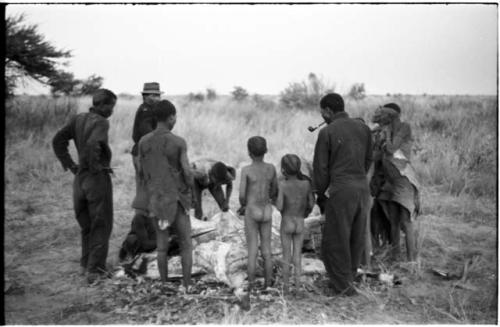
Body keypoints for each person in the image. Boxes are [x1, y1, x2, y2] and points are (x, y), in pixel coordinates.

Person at [52, 89, 117, 284]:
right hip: (95, 179)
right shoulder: (101, 122)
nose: (112, 111)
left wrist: (71, 165)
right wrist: (96, 167)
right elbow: (92, 146)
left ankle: (85, 265)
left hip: (79, 179)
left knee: (87, 224)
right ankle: (95, 271)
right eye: (111, 107)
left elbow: (58, 141)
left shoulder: (78, 119)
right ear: (102, 105)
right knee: (101, 223)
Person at [312, 93, 372, 296]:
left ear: (328, 110)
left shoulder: (327, 132)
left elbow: (320, 170)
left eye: (323, 113)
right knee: (356, 236)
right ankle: (351, 279)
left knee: (336, 239)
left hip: (341, 190)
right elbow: (368, 160)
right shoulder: (363, 128)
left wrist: (320, 196)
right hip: (362, 189)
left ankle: (341, 286)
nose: (323, 117)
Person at [134, 99, 194, 291]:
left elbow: (142, 172)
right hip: (176, 200)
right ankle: (186, 284)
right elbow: (186, 172)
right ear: (170, 118)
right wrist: (190, 187)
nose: (175, 119)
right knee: (186, 243)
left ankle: (164, 284)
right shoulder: (178, 142)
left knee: (161, 247)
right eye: (175, 116)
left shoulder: (143, 142)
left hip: (156, 200)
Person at [371, 103, 419, 261]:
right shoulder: (385, 130)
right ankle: (395, 257)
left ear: (390, 117)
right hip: (390, 181)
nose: (379, 119)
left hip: (403, 179)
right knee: (393, 221)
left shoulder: (404, 127)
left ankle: (412, 261)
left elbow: (391, 149)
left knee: (405, 222)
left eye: (383, 116)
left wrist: (384, 133)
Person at [239, 136, 278, 292]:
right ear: (266, 151)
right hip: (266, 210)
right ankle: (268, 284)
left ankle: (252, 285)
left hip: (252, 210)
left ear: (249, 152)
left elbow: (242, 195)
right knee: (267, 251)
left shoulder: (246, 170)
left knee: (253, 250)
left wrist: (244, 205)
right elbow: (274, 190)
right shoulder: (271, 168)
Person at [276, 154, 315, 294]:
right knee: (297, 255)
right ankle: (297, 287)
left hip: (286, 222)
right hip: (300, 222)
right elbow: (311, 203)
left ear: (283, 169)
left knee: (286, 256)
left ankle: (286, 289)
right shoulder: (306, 184)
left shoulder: (282, 185)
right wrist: (305, 212)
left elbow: (280, 206)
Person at [130, 83, 163, 232]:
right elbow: (146, 134)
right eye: (153, 95)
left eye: (158, 95)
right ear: (145, 96)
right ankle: (142, 224)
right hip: (144, 154)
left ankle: (143, 222)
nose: (157, 98)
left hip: (142, 152)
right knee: (145, 188)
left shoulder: (148, 110)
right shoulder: (146, 111)